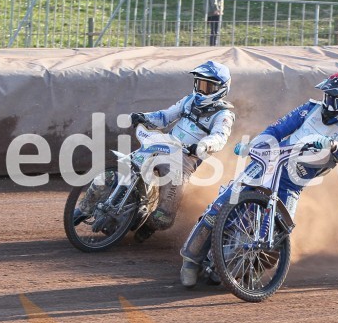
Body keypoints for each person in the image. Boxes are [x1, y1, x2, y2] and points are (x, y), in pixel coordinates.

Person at [179, 71, 338, 288]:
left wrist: (334, 146)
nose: (329, 104)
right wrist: (254, 145)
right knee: (220, 206)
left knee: (278, 238)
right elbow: (276, 129)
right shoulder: (310, 108)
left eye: (336, 100)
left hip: (291, 185)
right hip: (268, 164)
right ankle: (190, 262)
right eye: (327, 97)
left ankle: (246, 269)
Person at [88, 61, 235, 243]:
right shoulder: (189, 100)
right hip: (163, 144)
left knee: (163, 217)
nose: (201, 90)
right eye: (199, 83)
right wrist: (143, 116)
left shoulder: (223, 115)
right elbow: (165, 116)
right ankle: (84, 207)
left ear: (221, 89)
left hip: (184, 160)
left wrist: (203, 145)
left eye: (208, 86)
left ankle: (148, 225)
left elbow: (220, 137)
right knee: (121, 169)